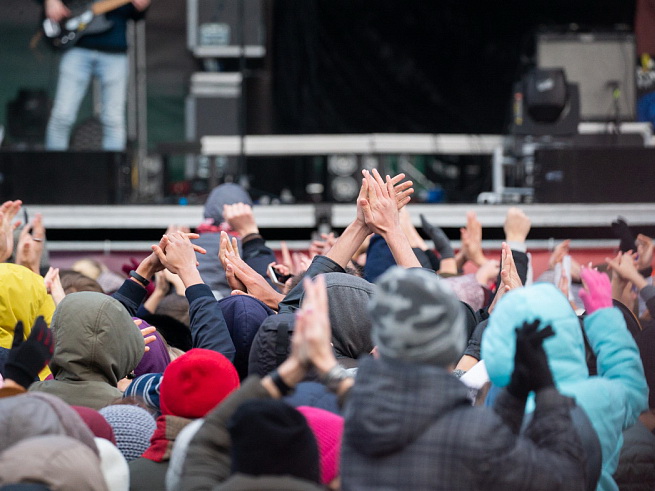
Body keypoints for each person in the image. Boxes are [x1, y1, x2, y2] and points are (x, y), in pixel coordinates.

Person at [41, 0, 150, 150]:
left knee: (114, 120)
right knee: (62, 116)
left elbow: (135, 15)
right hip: (76, 48)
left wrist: (141, 7)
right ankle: (54, 172)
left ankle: (112, 172)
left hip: (114, 49)